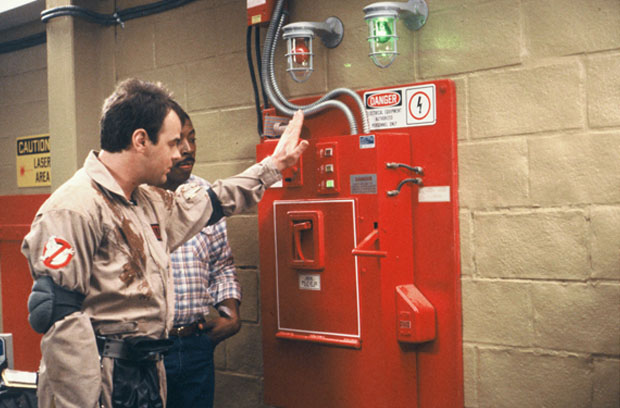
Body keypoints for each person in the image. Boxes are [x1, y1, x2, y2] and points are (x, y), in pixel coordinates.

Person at [20, 78, 307, 408]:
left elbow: (213, 201)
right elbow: (59, 320)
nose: (179, 152)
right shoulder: (73, 208)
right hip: (100, 381)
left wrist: (272, 166)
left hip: (145, 374)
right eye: (172, 143)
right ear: (141, 140)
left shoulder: (147, 202)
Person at [159, 107, 240, 408]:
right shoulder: (136, 198)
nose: (188, 149)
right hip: (148, 350)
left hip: (196, 345)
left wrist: (231, 315)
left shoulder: (206, 194)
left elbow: (221, 264)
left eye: (192, 139)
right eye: (177, 141)